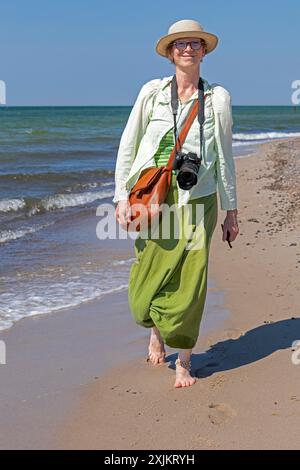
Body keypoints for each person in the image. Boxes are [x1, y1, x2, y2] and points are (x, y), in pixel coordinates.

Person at [113, 19, 239, 388]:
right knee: (146, 276)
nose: (187, 49)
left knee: (191, 278)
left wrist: (231, 210)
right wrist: (121, 196)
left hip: (198, 199)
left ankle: (184, 358)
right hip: (151, 196)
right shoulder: (152, 92)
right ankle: (154, 328)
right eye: (180, 44)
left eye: (194, 44)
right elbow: (128, 144)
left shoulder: (218, 98)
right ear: (170, 53)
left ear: (204, 51)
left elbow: (225, 157)